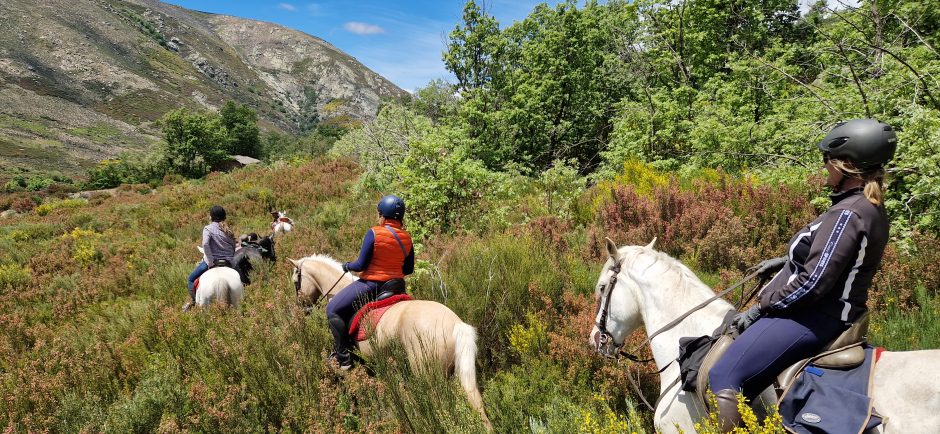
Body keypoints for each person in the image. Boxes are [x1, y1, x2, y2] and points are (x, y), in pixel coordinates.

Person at [708, 119, 897, 431]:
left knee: (724, 374)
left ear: (846, 165)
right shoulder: (864, 205)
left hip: (816, 316)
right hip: (830, 312)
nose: (825, 169)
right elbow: (837, 257)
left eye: (828, 162)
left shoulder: (847, 213)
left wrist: (760, 308)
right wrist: (787, 260)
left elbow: (812, 284)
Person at [326, 194, 415, 370]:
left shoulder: (375, 232)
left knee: (332, 309)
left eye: (379, 214)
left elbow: (361, 264)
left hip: (373, 284)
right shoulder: (407, 237)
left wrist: (347, 265)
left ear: (383, 215)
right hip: (397, 286)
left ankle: (344, 359)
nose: (378, 217)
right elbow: (408, 270)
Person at [183, 205, 236, 311]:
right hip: (229, 263)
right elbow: (233, 246)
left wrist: (211, 261)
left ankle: (194, 302)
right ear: (224, 217)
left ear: (211, 217)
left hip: (212, 262)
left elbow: (206, 244)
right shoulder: (228, 231)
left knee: (191, 279)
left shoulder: (208, 228)